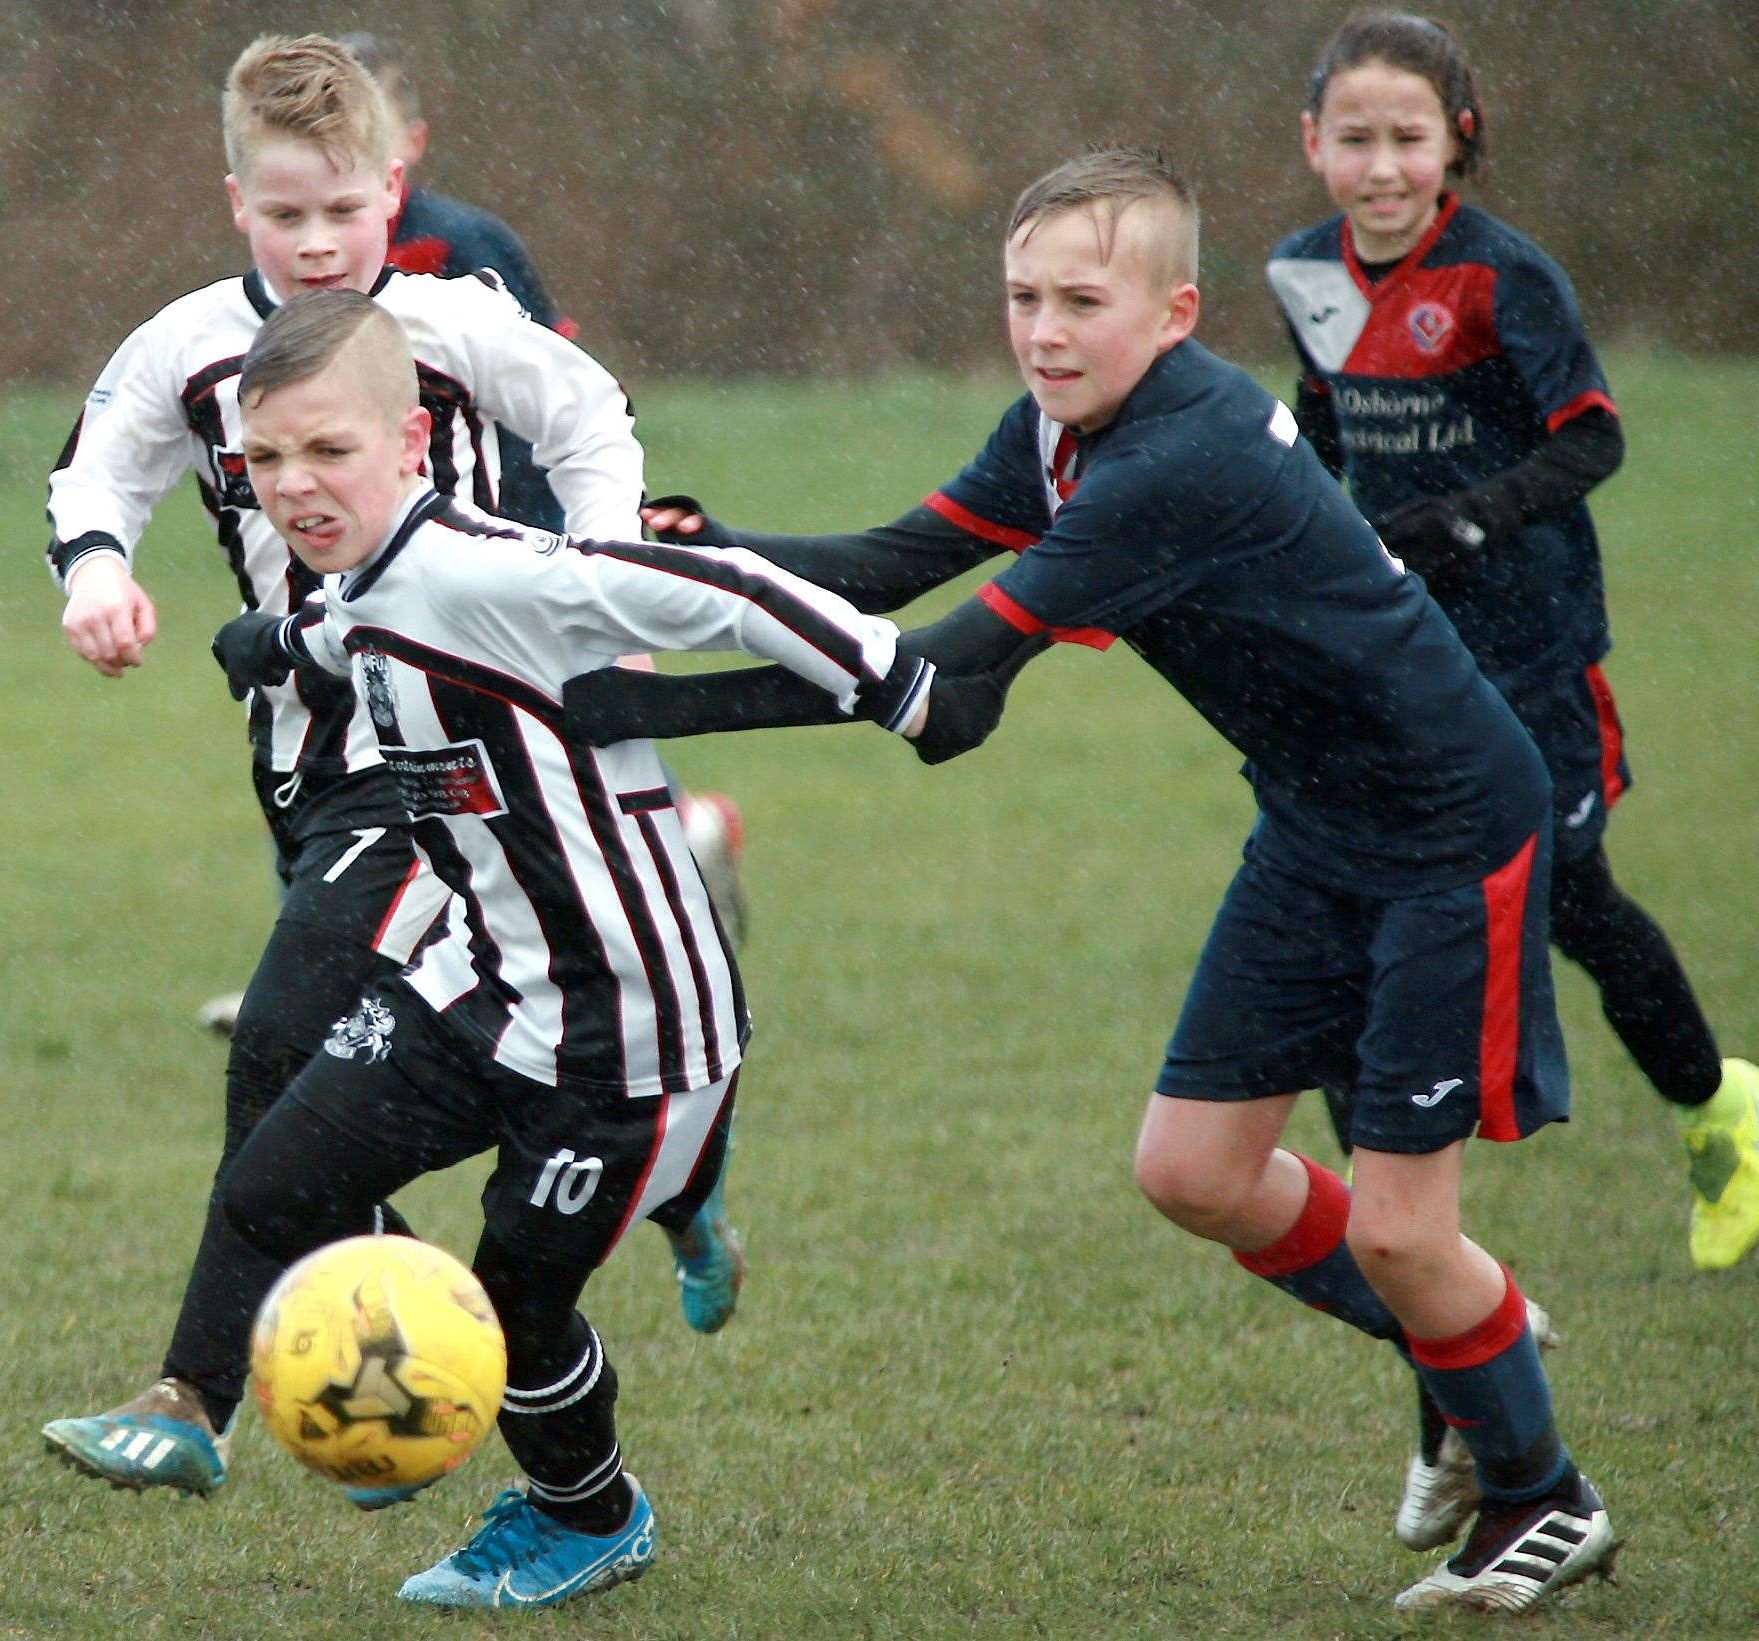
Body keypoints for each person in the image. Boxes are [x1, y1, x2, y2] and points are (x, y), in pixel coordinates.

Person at [569, 146, 1619, 1616]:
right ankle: (1449, 1343)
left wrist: (632, 706)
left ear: (1175, 311)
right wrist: (711, 555)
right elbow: (886, 568)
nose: (1045, 331)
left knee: (1399, 1228)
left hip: (1449, 831)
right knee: (1192, 1173)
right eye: (1021, 298)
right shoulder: (1061, 431)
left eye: (1081, 301)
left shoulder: (1170, 465)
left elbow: (935, 678)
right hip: (1315, 825)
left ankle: (1540, 1495)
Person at [202, 287, 983, 1608]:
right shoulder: (377, 580)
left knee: (516, 1303)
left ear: (408, 441)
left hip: (627, 1027)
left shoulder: (494, 572)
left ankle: (589, 1514)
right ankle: (475, 1337)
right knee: (272, 1188)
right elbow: (364, 629)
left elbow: (719, 587)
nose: (295, 484)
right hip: (478, 982)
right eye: (265, 460)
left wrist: (902, 683)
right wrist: (282, 636)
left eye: (327, 450)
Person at [36, 33, 731, 1507]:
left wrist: (595, 573)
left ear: (391, 188)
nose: (314, 243)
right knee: (341, 1099)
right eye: (284, 214)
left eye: (340, 213)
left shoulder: (447, 322)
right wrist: (98, 574)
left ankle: (194, 1395)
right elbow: (95, 471)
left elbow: (588, 417)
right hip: (305, 777)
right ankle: (444, 1333)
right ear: (237, 202)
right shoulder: (186, 348)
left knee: (285, 1039)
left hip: (436, 768)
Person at [1264, 6, 1759, 1275]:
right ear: (1312, 143)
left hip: (1532, 653)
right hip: (1391, 651)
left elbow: (1592, 437)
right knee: (1359, 897)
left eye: (1409, 139)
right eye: (1355, 139)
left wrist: (1475, 519)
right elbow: (1323, 420)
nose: (1382, 168)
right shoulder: (1302, 273)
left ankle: (1718, 1106)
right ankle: (1410, 1230)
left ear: (1458, 140)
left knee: (1571, 906)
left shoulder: (1503, 276)